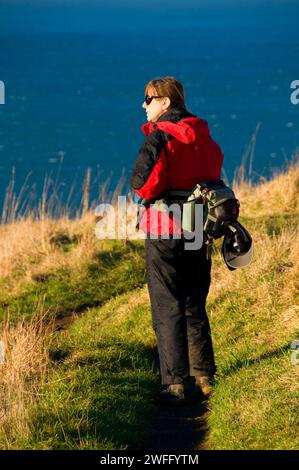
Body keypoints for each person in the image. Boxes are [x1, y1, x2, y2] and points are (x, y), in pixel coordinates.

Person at [130, 77, 224, 405]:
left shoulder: (159, 137)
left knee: (167, 303)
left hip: (164, 227)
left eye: (148, 98)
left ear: (165, 103)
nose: (144, 104)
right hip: (199, 225)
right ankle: (204, 376)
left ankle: (174, 384)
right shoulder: (204, 136)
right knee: (194, 301)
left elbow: (144, 187)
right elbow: (214, 175)